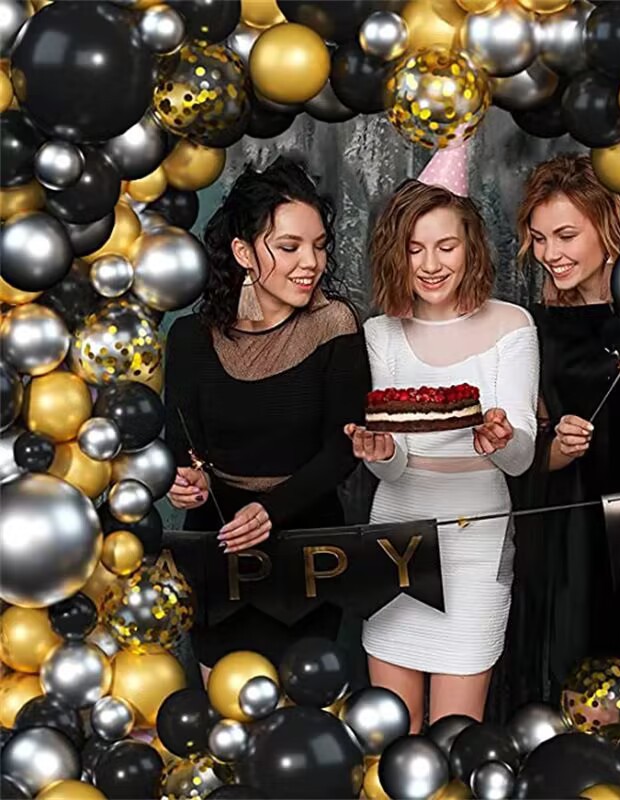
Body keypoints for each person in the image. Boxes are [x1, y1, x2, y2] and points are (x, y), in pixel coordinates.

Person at [345, 143, 539, 732]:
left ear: (471, 246)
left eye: (446, 246)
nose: (430, 264)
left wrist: (501, 440)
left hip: (477, 542)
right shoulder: (380, 332)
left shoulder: (512, 324)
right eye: (414, 248)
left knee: (456, 735)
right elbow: (394, 461)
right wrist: (381, 453)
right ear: (396, 254)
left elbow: (522, 459)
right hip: (396, 539)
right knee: (391, 732)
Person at [164, 157, 371, 672]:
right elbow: (180, 441)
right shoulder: (190, 337)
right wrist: (183, 479)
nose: (311, 262)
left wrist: (272, 510)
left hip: (309, 547)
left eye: (319, 245)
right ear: (244, 253)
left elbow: (343, 448)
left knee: (306, 709)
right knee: (224, 704)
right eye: (289, 246)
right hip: (217, 544)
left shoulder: (335, 325)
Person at [488, 153, 620, 721]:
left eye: (566, 235)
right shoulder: (532, 327)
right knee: (569, 676)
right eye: (540, 238)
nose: (550, 254)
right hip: (565, 532)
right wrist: (555, 451)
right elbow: (522, 452)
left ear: (608, 228)